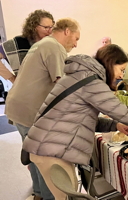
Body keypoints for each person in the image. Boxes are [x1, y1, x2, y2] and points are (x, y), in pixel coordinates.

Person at [22, 44, 128, 199]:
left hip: (47, 144)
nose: (122, 75)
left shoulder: (81, 75)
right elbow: (124, 113)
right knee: (66, 196)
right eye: (121, 69)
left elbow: (83, 120)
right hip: (51, 149)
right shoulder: (92, 82)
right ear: (110, 63)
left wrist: (115, 125)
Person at [5, 18, 80, 200]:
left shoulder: (43, 44)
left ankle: (38, 194)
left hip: (18, 109)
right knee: (47, 161)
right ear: (67, 31)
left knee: (34, 156)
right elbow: (62, 86)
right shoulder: (54, 47)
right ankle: (49, 197)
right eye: (76, 38)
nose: (76, 44)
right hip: (30, 112)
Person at [0, 9, 54, 84]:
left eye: (51, 27)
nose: (50, 31)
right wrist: (11, 78)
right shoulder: (17, 43)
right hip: (24, 90)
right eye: (46, 27)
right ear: (34, 27)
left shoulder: (51, 44)